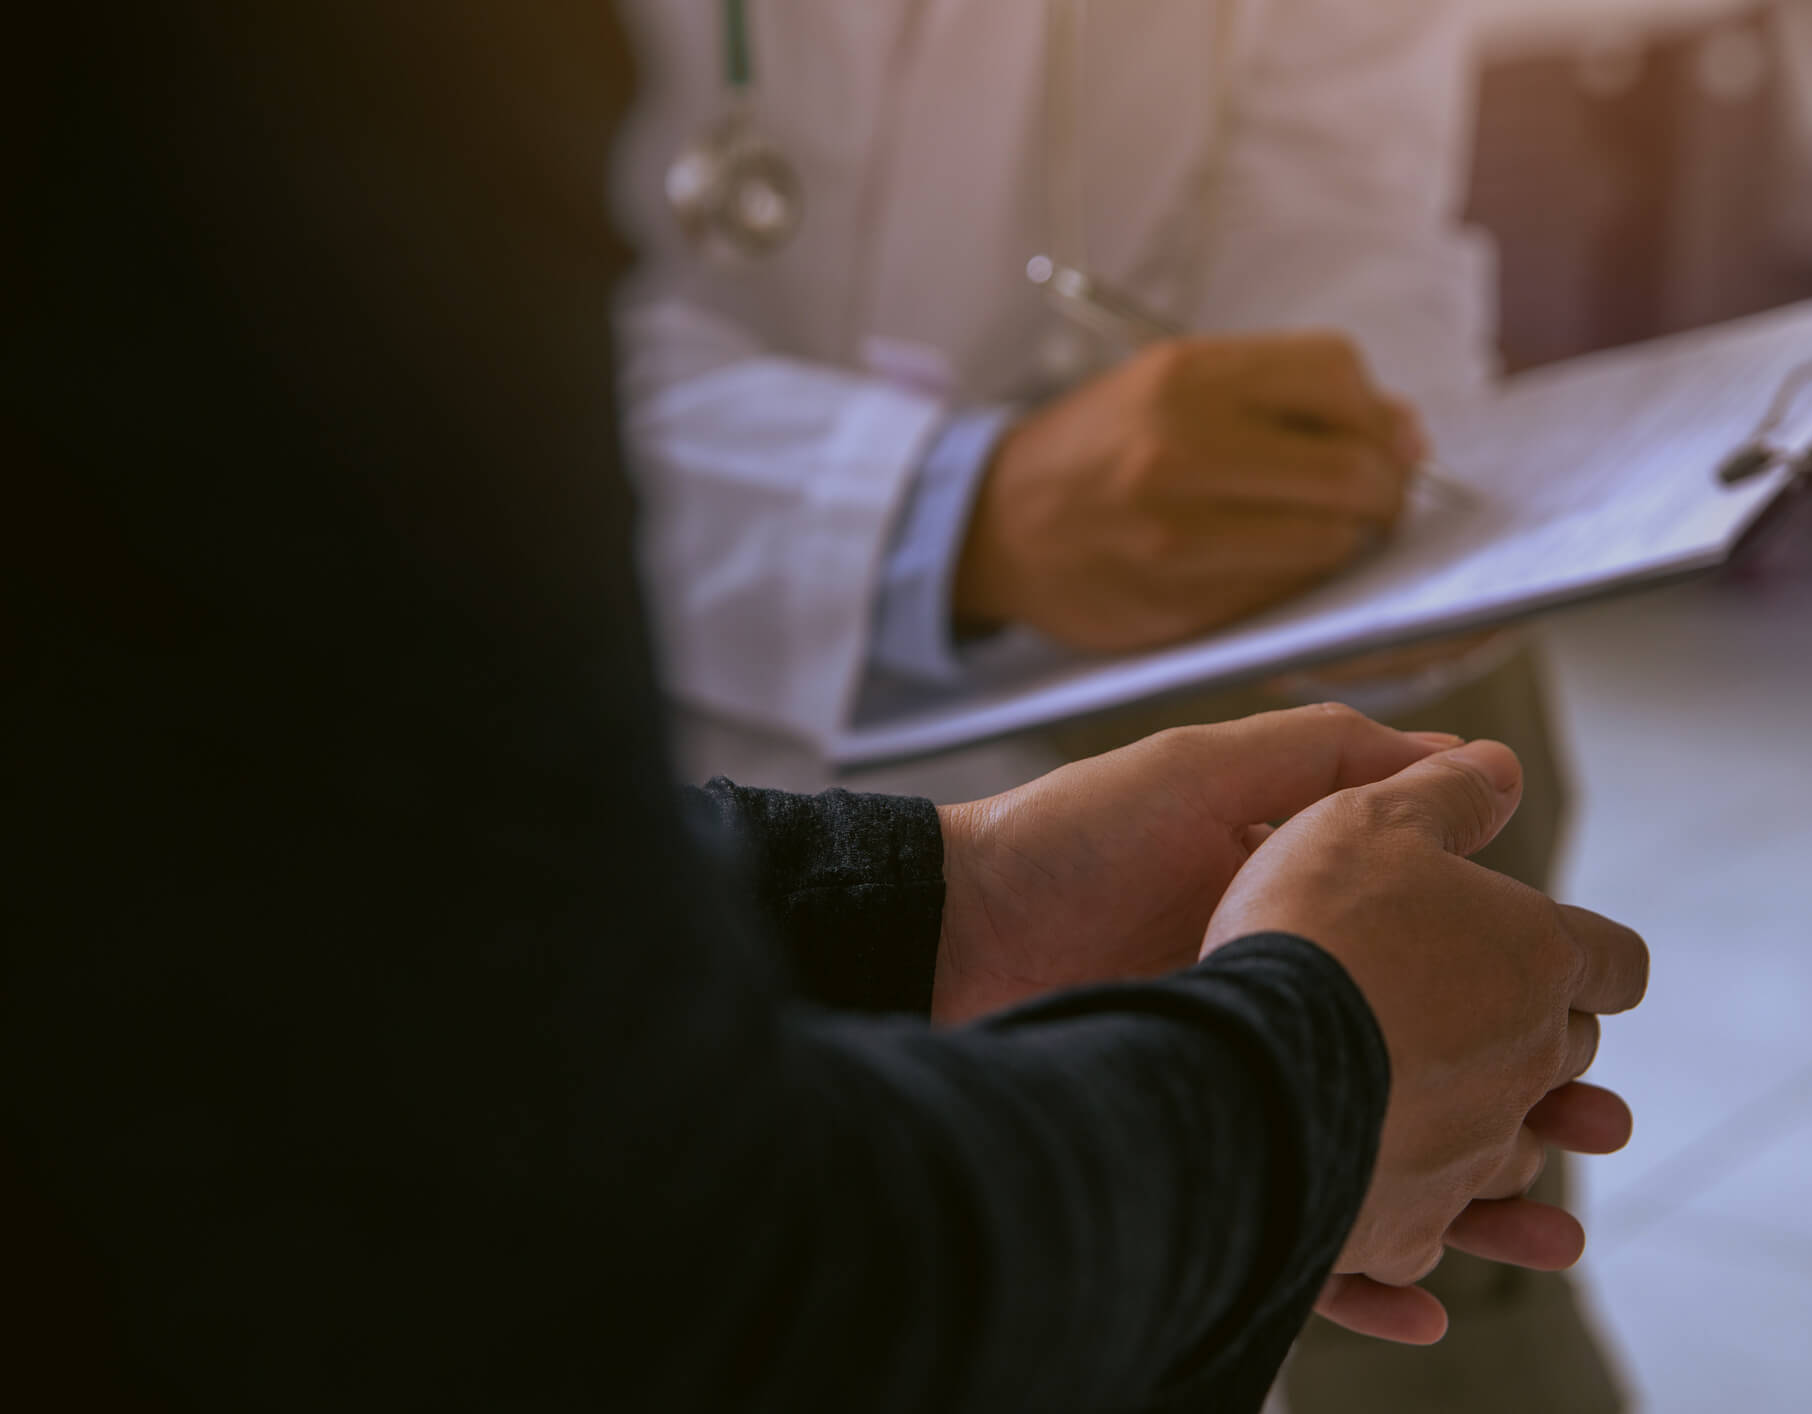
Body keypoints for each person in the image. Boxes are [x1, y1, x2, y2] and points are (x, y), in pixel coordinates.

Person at [5, 4, 1650, 1411]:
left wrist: (930, 895)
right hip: (674, 696)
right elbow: (661, 1277)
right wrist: (948, 506)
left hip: (1141, 701)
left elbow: (1348, 187)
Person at [614, 2, 1614, 1408]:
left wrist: (1333, 498)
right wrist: (939, 511)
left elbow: (1346, 218)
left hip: (1134, 680)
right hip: (617, 680)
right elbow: (372, 329)